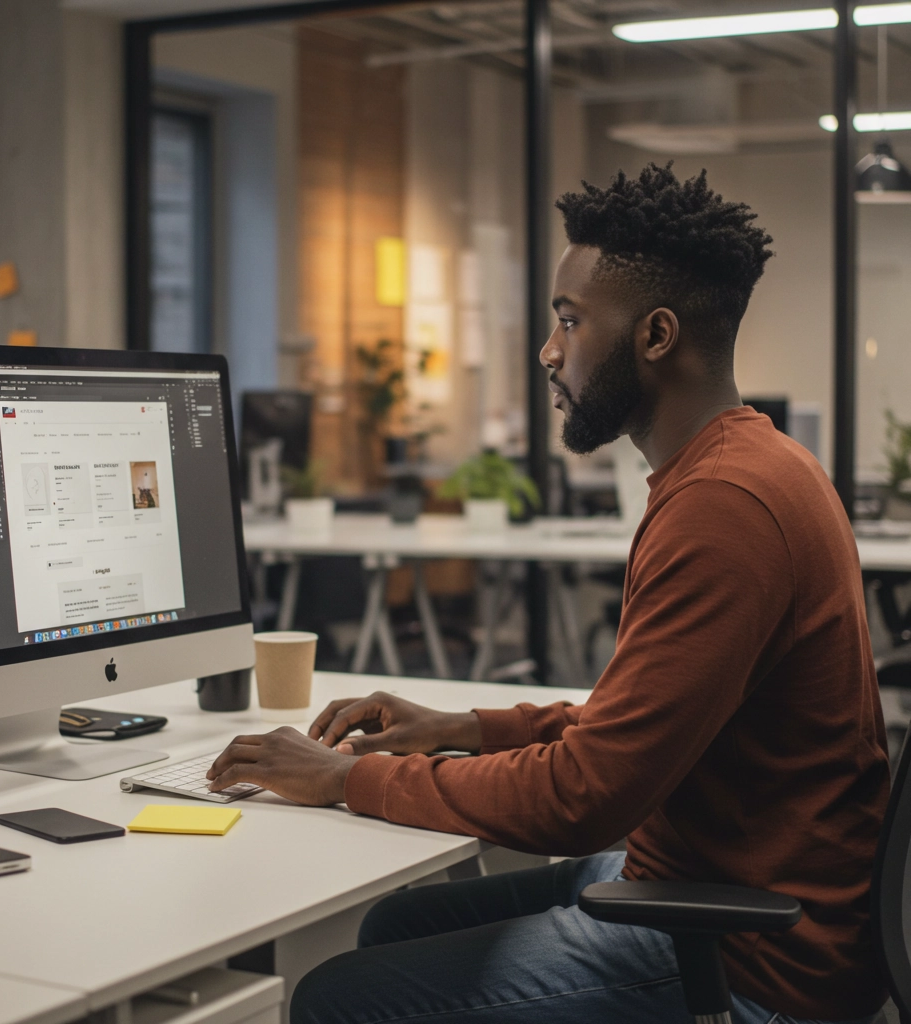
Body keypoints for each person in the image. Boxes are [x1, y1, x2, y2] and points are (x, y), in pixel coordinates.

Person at [206, 164, 890, 1022]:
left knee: (340, 998)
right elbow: (635, 729)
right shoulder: (743, 467)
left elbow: (583, 797)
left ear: (656, 336)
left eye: (569, 321)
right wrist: (463, 728)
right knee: (393, 924)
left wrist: (345, 779)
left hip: (758, 957)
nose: (548, 350)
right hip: (712, 880)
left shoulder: (724, 508)